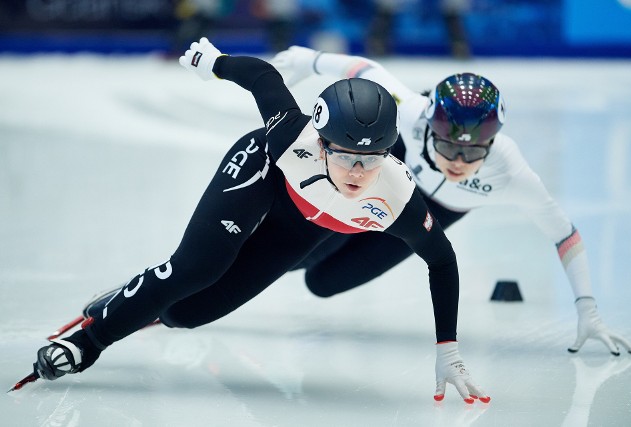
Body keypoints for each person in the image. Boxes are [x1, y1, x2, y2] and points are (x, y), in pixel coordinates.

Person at [24, 37, 490, 404]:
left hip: (305, 221)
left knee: (190, 313)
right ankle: (88, 342)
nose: (357, 172)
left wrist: (447, 348)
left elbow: (441, 262)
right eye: (346, 156)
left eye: (371, 160)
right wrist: (213, 62)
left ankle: (136, 296)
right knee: (197, 268)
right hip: (264, 172)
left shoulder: (398, 197)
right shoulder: (292, 133)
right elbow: (263, 77)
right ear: (322, 142)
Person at [271, 46, 631, 357]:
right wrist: (311, 59)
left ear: (492, 144)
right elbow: (366, 70)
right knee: (297, 256)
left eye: (473, 152)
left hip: (428, 215)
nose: (458, 163)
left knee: (323, 282)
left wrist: (586, 307)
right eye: (448, 146)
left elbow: (565, 234)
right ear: (430, 129)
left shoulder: (510, 172)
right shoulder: (413, 113)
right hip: (383, 181)